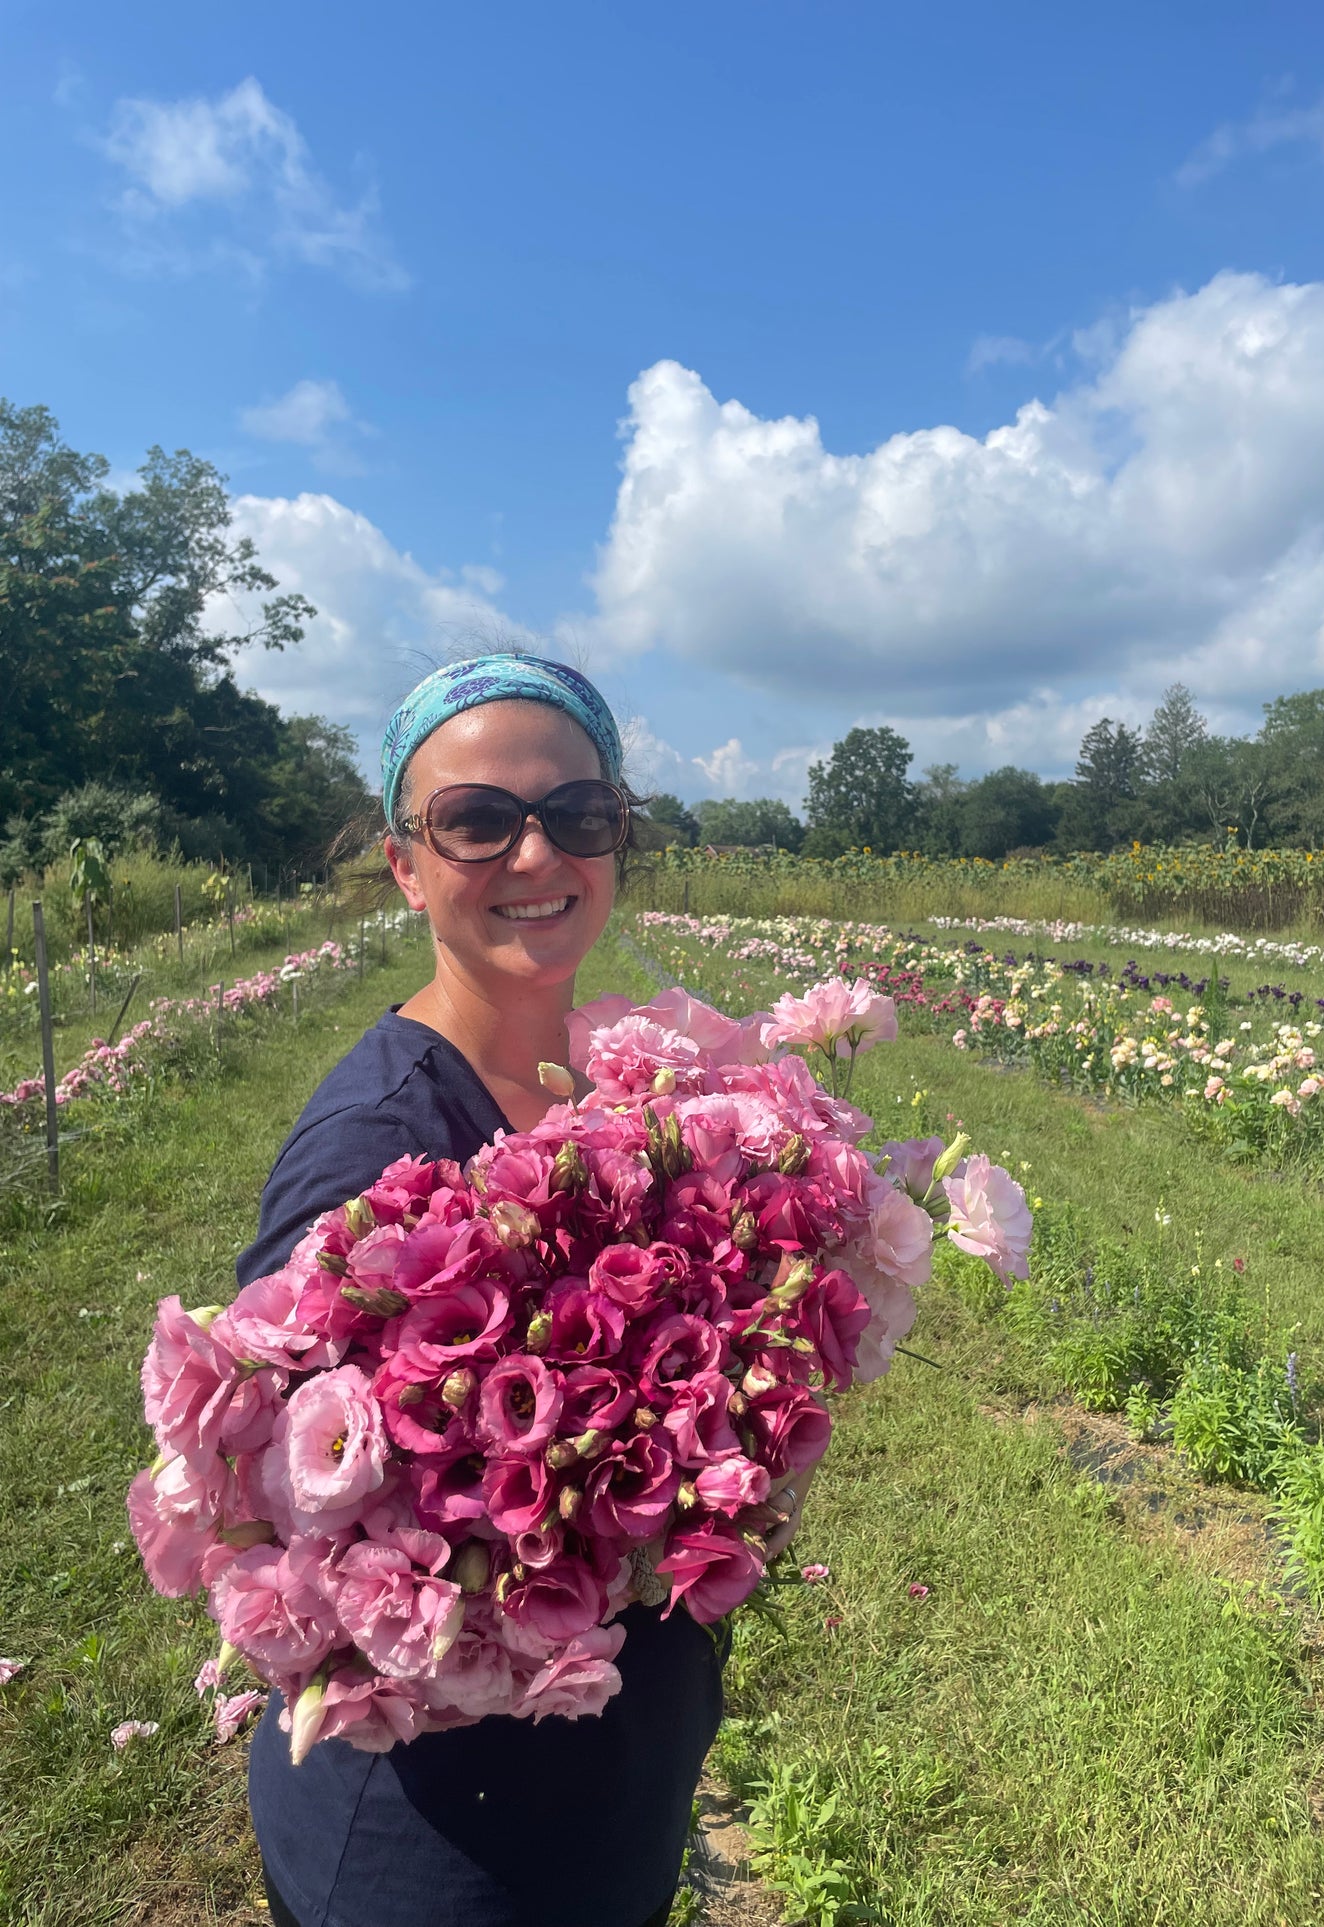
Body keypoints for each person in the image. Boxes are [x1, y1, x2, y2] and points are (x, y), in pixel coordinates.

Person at [236, 655, 809, 1927]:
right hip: (440, 1843)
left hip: (598, 1775)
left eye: (579, 814)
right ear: (403, 861)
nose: (537, 854)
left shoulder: (611, 1086)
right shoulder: (376, 1140)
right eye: (478, 820)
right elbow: (276, 1494)